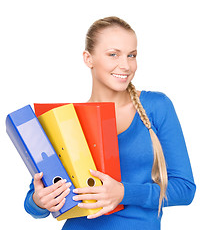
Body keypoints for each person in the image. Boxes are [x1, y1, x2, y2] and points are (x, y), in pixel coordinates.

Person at [24, 16, 196, 230]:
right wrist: (39, 201)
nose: (125, 65)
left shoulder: (156, 107)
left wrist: (123, 193)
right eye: (113, 54)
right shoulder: (66, 119)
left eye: (131, 55)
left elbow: (185, 189)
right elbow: (33, 201)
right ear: (88, 59)